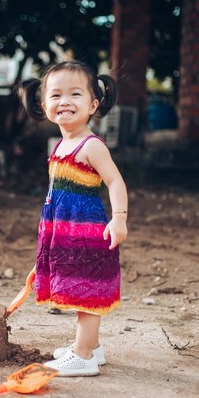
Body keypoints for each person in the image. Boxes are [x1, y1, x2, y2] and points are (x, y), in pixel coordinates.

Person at [17, 60, 128, 376]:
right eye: (56, 95)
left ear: (93, 104)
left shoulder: (90, 145)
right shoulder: (61, 144)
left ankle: (83, 356)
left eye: (75, 94)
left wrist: (118, 217)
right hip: (65, 229)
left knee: (86, 291)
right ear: (44, 105)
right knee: (79, 288)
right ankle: (92, 347)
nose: (64, 101)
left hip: (87, 231)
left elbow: (116, 181)